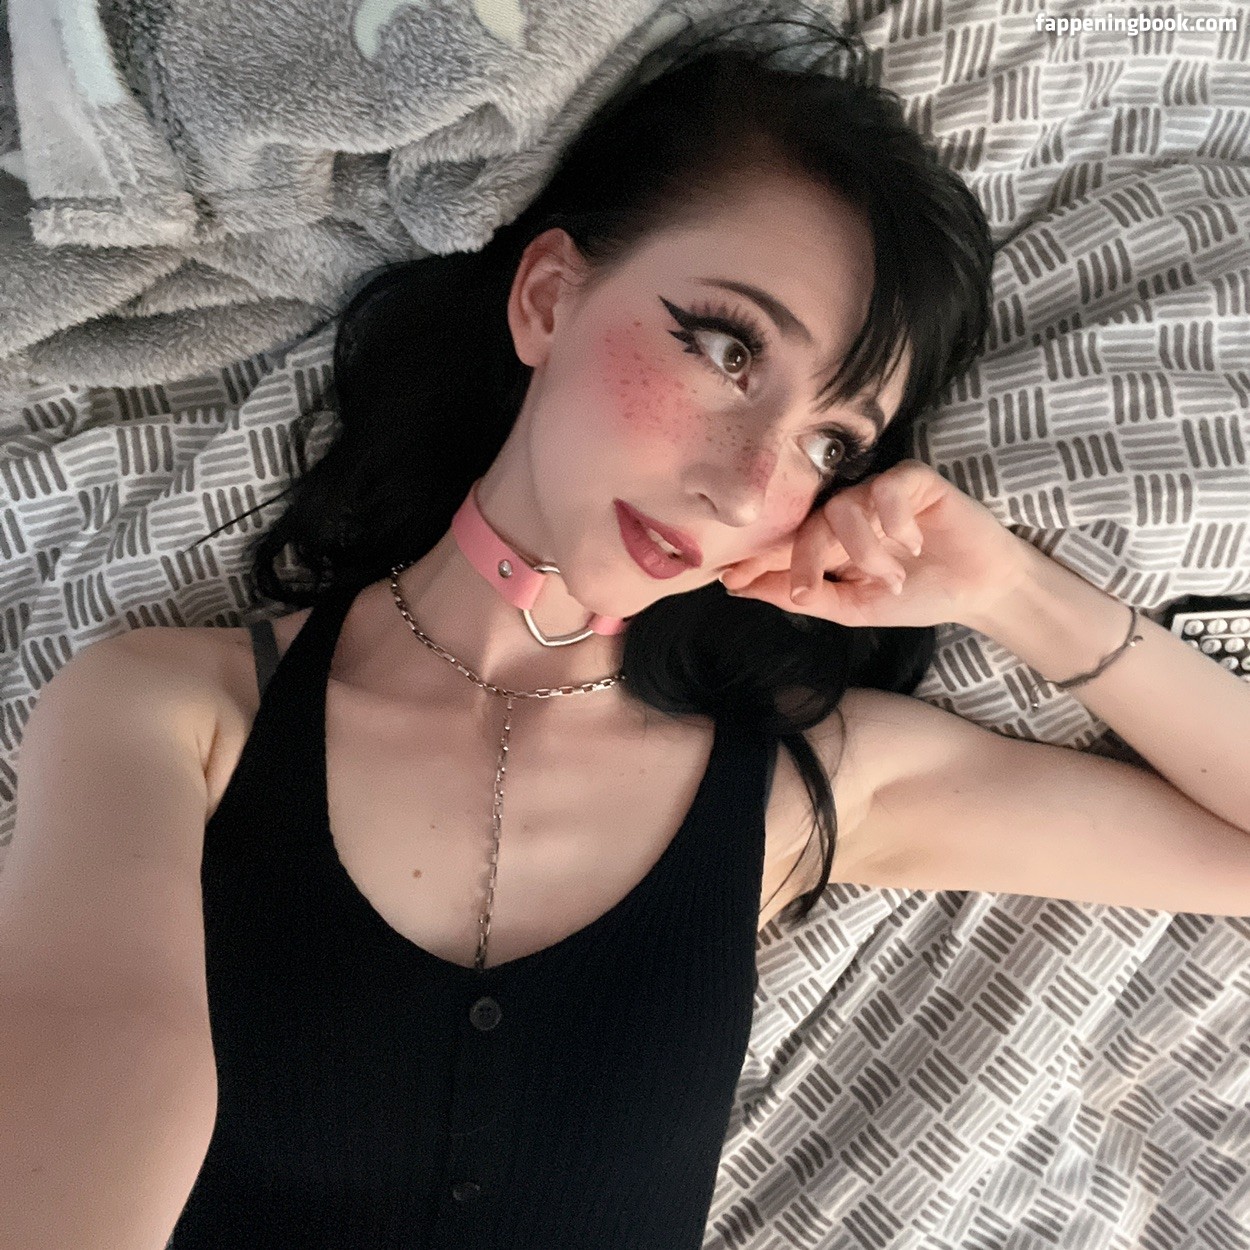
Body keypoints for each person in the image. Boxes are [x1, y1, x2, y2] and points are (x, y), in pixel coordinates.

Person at [4, 10, 1248, 1250]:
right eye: (724, 347)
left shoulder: (798, 789)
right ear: (548, 297)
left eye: (829, 445)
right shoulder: (169, 714)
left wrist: (1008, 591)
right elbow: (103, 1067)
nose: (748, 485)